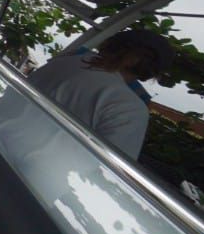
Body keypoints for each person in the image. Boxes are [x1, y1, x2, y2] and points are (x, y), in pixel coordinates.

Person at [27, 28, 174, 160]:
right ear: (151, 72)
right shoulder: (130, 108)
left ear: (109, 44)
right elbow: (111, 170)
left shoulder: (64, 61)